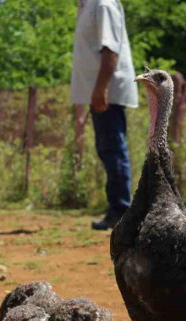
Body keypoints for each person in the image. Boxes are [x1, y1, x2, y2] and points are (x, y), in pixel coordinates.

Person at [71, 0, 138, 230]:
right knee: (108, 149)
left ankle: (121, 212)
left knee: (113, 149)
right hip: (100, 90)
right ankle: (118, 209)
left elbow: (110, 50)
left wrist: (101, 88)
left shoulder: (103, 5)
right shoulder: (88, 5)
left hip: (107, 91)